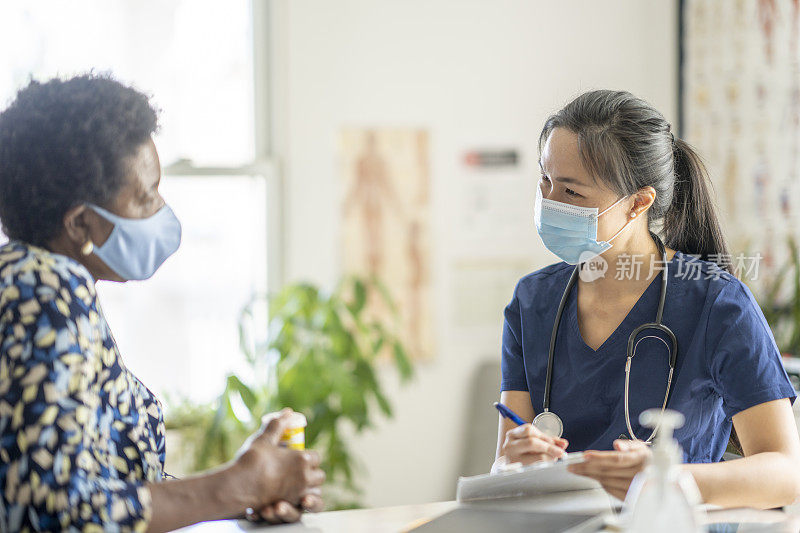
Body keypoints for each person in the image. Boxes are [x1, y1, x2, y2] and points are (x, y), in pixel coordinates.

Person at [0, 75, 325, 532]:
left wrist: (250, 488)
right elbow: (57, 513)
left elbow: (104, 489)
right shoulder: (44, 289)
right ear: (81, 224)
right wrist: (233, 487)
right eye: (145, 196)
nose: (161, 210)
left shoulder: (44, 285)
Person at [494, 89, 800, 509]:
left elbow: (785, 471)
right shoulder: (532, 302)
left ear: (639, 203)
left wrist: (666, 479)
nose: (549, 203)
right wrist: (509, 464)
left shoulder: (718, 305)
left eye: (572, 193)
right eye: (544, 181)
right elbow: (506, 467)